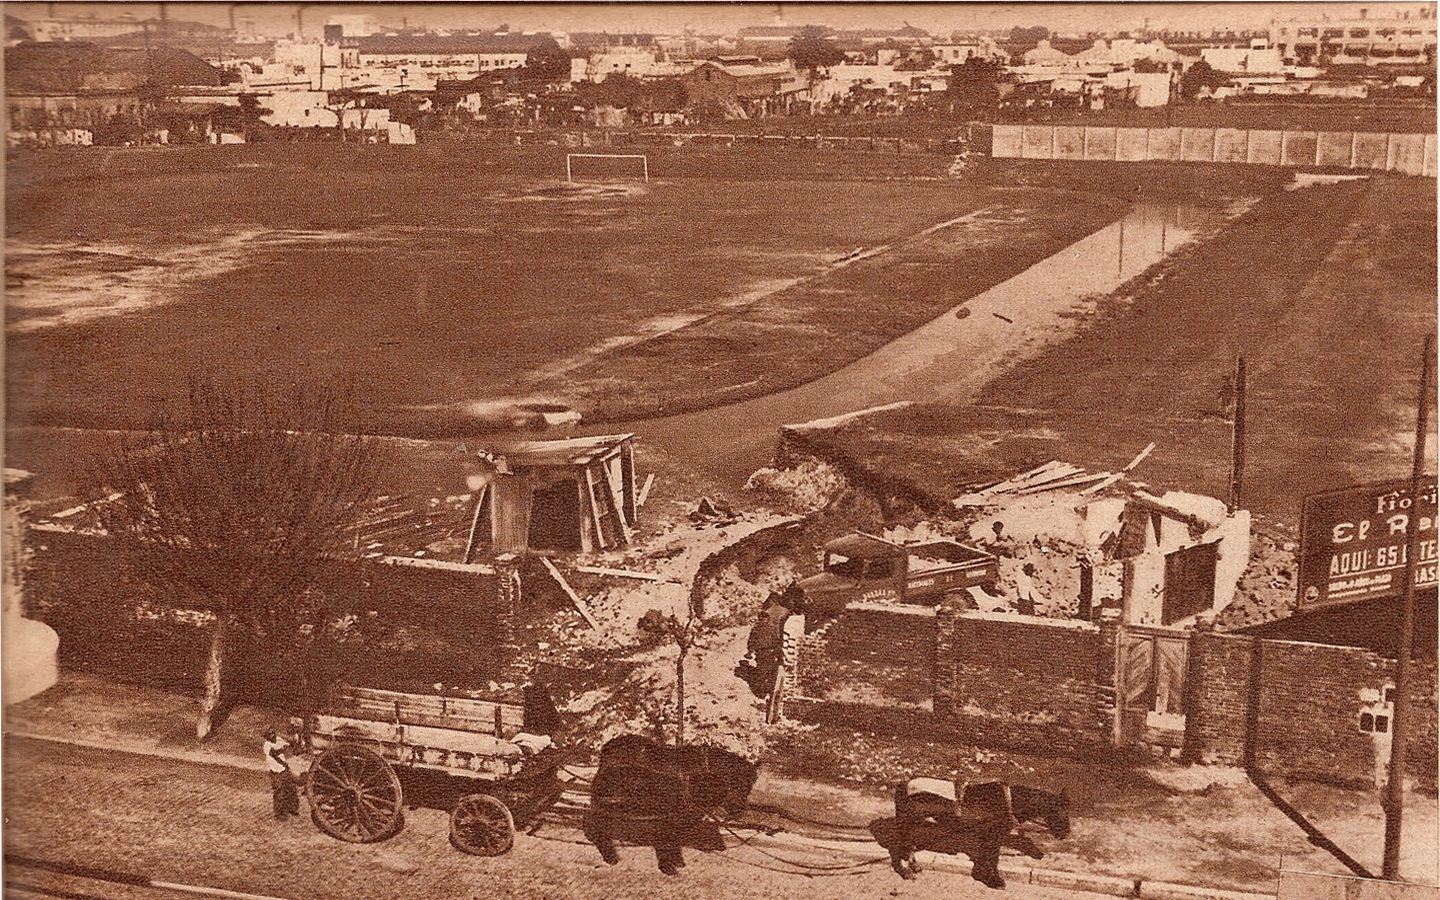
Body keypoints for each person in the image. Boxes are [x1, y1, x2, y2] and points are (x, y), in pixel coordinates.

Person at [263, 728, 300, 820]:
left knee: (291, 788)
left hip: (284, 769)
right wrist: (283, 749)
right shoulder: (267, 745)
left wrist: (292, 742)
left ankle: (292, 808)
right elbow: (274, 754)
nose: (272, 736)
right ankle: (280, 814)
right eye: (269, 735)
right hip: (275, 770)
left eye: (273, 733)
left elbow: (289, 744)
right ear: (266, 737)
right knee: (279, 792)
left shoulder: (279, 739)